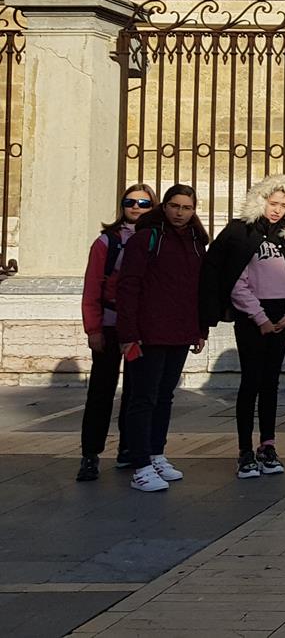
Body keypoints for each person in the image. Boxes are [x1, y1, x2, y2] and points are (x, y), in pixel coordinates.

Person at [201, 176, 285, 480]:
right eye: (273, 203)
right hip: (252, 318)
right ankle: (244, 450)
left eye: (284, 205)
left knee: (270, 384)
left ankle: (268, 445)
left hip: (281, 318)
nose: (277, 210)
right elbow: (234, 280)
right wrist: (260, 318)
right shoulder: (241, 231)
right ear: (261, 200)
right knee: (251, 382)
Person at [116, 185, 209, 492]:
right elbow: (128, 287)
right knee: (143, 397)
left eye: (187, 207)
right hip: (148, 333)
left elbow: (198, 289)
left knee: (165, 396)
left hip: (180, 332)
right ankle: (140, 464)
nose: (180, 213)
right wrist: (128, 334)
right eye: (175, 206)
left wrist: (200, 329)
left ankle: (156, 453)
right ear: (164, 206)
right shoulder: (146, 238)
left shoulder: (196, 242)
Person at [75, 183, 156, 482]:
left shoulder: (155, 239)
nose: (136, 207)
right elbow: (92, 287)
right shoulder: (106, 242)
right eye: (130, 202)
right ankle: (90, 454)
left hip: (139, 327)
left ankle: (129, 448)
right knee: (101, 391)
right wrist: (93, 328)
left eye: (143, 203)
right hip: (110, 326)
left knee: (137, 391)